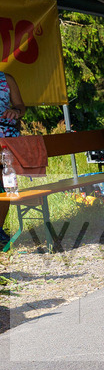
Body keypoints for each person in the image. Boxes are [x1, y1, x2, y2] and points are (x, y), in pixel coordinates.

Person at [0, 69, 25, 248]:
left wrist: (15, 111)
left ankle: (0, 230)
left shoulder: (6, 78)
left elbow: (21, 107)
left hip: (7, 138)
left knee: (5, 185)